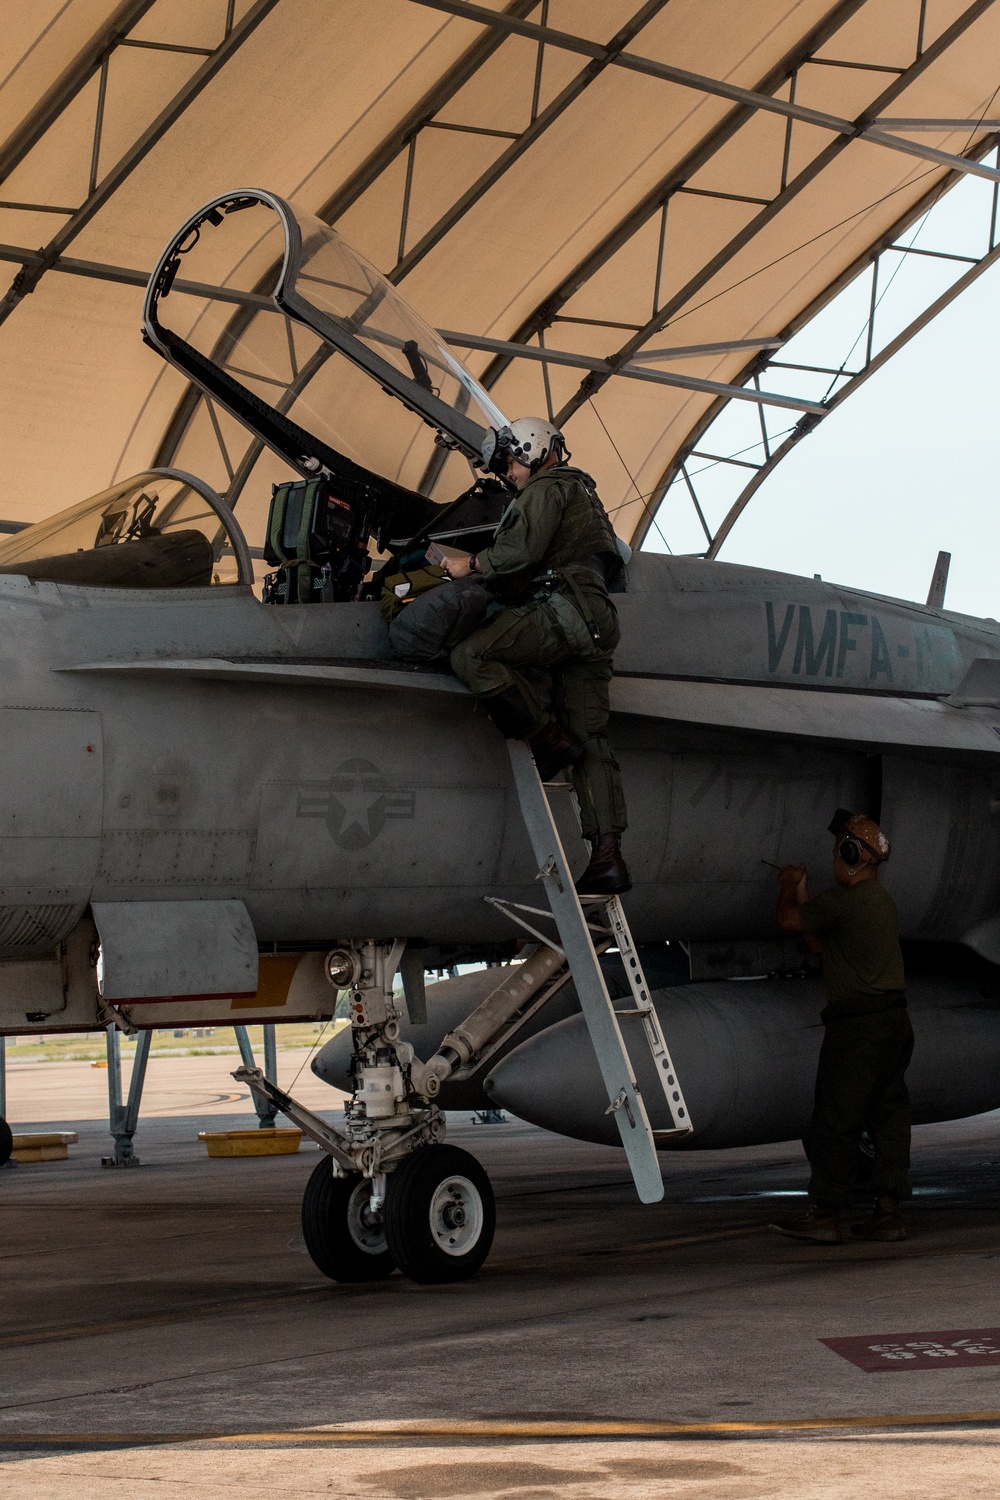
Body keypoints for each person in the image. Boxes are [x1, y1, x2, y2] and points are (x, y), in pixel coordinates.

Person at [442, 417, 630, 895]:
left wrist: (469, 565)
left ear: (530, 448)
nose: (509, 473)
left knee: (472, 655)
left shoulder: (547, 488)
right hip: (597, 619)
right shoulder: (584, 493)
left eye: (509, 461)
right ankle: (608, 858)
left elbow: (518, 553)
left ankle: (547, 740)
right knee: (592, 738)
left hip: (564, 610)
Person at [769, 809, 912, 1245]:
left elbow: (789, 923)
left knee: (834, 1119)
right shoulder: (877, 901)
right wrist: (806, 891)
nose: (833, 859)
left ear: (850, 855)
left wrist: (788, 889)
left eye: (837, 851)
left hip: (858, 1031)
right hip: (893, 1023)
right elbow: (819, 939)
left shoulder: (845, 902)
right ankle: (888, 1213)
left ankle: (827, 1212)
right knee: (888, 1116)